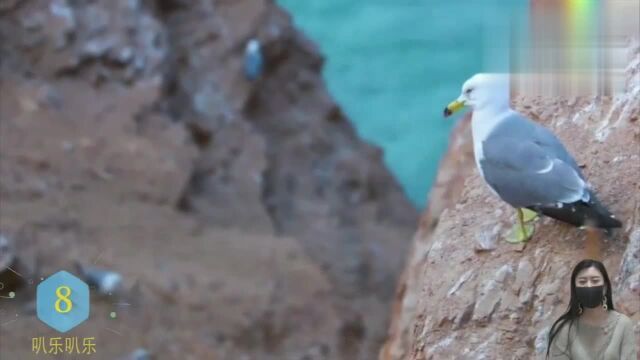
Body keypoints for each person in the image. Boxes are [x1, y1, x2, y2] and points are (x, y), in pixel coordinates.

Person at [547, 259, 637, 359]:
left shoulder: (623, 325)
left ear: (605, 287)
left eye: (595, 281)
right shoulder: (564, 329)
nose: (589, 285)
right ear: (575, 288)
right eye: (582, 282)